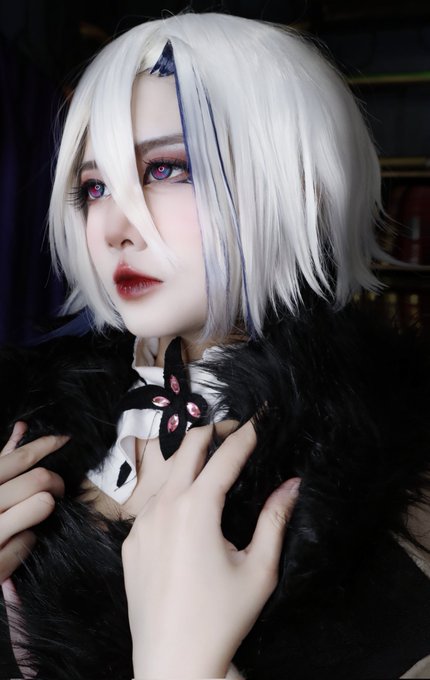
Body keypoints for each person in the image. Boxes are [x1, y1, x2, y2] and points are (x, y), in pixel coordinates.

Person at [1, 12, 430, 680]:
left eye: (167, 169)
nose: (114, 226)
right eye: (95, 187)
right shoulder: (33, 436)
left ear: (299, 181)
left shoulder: (393, 478)